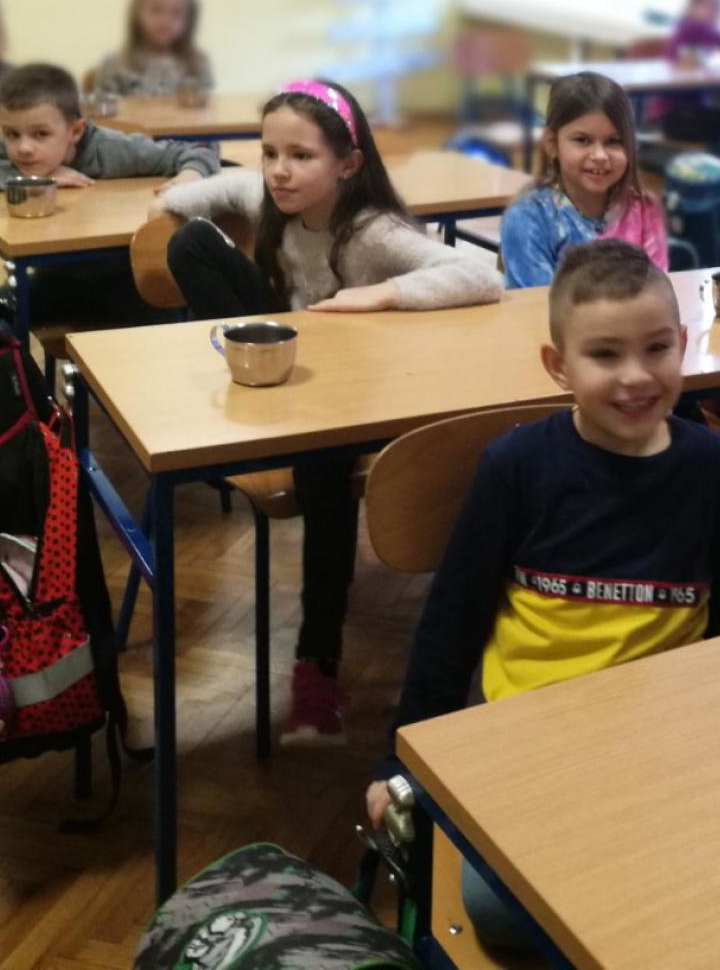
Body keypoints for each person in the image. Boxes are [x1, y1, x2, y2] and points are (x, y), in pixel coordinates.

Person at [363, 240, 720, 949]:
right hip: (531, 744)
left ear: (684, 342)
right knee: (504, 914)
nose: (636, 376)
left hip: (666, 744)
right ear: (558, 366)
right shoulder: (516, 467)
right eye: (605, 354)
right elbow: (451, 621)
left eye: (657, 348)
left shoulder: (711, 467)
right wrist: (401, 759)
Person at [156, 81, 502, 744]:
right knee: (190, 243)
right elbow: (224, 191)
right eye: (270, 153)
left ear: (348, 163)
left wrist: (382, 295)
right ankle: (253, 372)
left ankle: (317, 664)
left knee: (321, 473)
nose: (279, 171)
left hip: (359, 396)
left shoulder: (371, 231)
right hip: (296, 364)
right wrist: (176, 192)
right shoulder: (270, 199)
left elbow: (482, 277)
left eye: (301, 156)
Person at [0, 62, 218, 326]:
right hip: (55, 280)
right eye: (11, 134)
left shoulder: (112, 149)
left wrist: (188, 178)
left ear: (76, 131)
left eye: (41, 134)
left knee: (162, 344)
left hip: (129, 282)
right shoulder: (13, 151)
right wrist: (29, 179)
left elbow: (197, 154)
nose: (24, 148)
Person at [500, 72, 667, 289]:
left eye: (614, 141)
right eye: (582, 140)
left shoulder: (643, 210)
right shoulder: (528, 217)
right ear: (552, 143)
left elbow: (657, 292)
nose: (600, 155)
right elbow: (538, 304)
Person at [90, 0, 215, 97]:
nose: (165, 21)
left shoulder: (198, 64)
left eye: (176, 13)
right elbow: (104, 105)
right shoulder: (115, 64)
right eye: (156, 10)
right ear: (137, 13)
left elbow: (205, 105)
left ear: (189, 21)